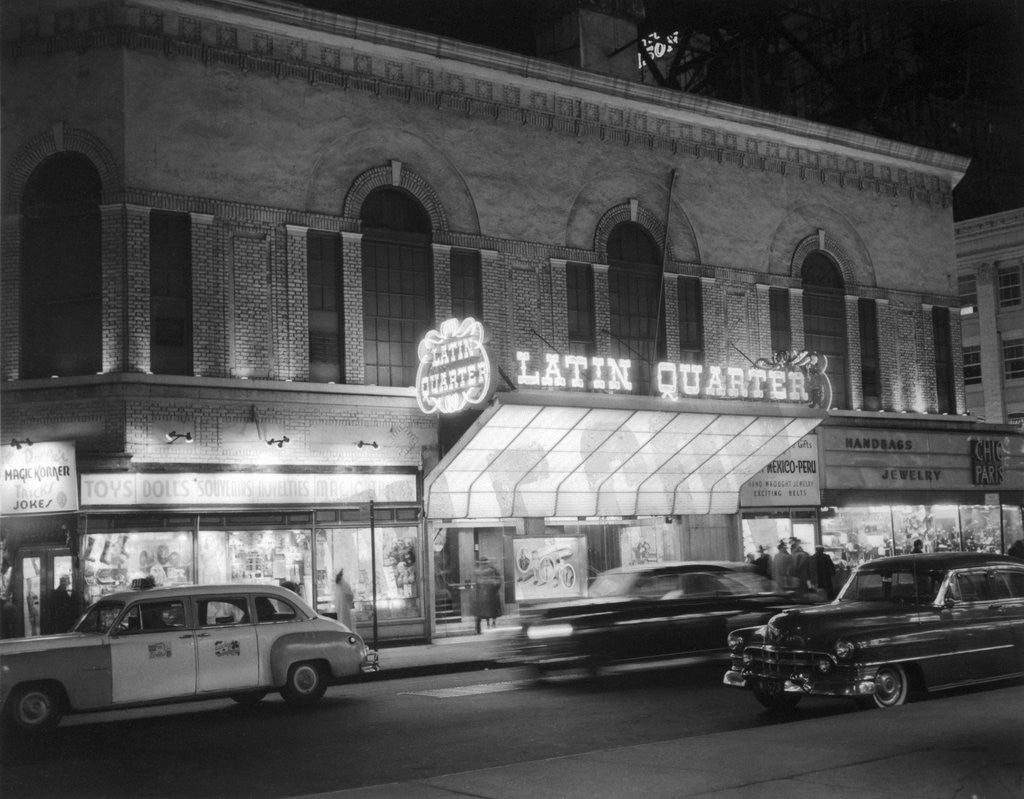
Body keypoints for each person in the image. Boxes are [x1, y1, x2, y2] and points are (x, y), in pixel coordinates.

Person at [471, 557, 503, 634]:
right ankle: (480, 627)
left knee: (480, 614)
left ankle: (479, 628)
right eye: (482, 563)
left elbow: (476, 584)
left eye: (484, 563)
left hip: (483, 597)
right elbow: (497, 582)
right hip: (486, 596)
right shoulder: (491, 571)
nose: (483, 565)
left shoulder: (478, 572)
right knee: (483, 613)